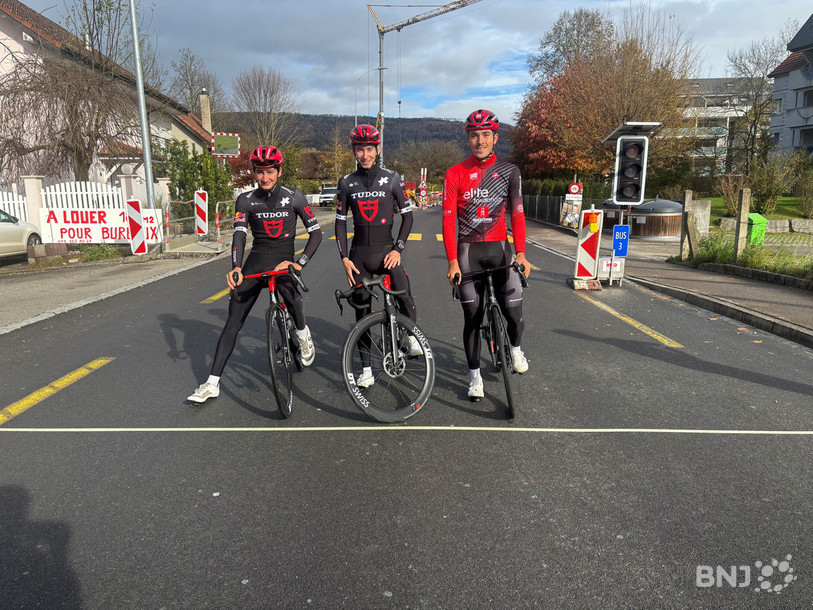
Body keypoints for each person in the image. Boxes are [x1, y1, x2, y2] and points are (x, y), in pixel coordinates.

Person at [188, 145, 323, 403]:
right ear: (254, 173)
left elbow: (316, 234)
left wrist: (299, 263)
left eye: (270, 171)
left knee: (293, 297)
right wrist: (236, 267)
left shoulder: (295, 197)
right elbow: (239, 234)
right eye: (260, 172)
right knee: (232, 322)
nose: (265, 177)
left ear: (279, 171)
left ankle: (303, 335)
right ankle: (212, 383)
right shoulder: (246, 200)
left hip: (283, 261)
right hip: (256, 262)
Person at [442, 109, 531, 401]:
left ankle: (515, 350)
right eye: (474, 135)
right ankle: (475, 377)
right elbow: (448, 220)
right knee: (471, 315)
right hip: (469, 252)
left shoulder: (509, 171)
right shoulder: (455, 173)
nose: (479, 141)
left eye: (485, 135)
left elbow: (517, 215)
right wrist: (452, 260)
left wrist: (521, 253)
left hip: (500, 249)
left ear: (495, 137)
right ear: (468, 138)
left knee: (514, 313)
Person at [335, 124, 421, 388]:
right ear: (354, 150)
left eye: (369, 149)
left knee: (404, 295)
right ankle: (366, 369)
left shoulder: (392, 178)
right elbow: (339, 222)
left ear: (377, 149)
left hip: (387, 252)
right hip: (359, 255)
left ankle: (408, 337)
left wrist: (398, 249)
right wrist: (344, 258)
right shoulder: (346, 182)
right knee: (362, 313)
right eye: (359, 149)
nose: (364, 154)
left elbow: (407, 217)